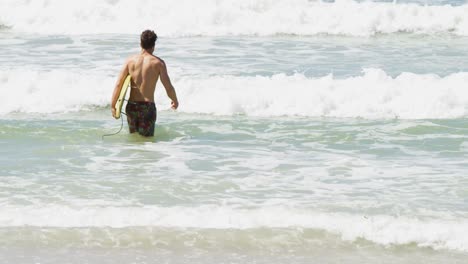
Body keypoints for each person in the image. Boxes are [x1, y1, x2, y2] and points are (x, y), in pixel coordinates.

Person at [111, 29, 179, 137]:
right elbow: (168, 87)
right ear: (153, 45)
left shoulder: (130, 61)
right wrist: (174, 100)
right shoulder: (158, 63)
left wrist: (113, 105)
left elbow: (119, 84)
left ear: (140, 43)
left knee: (134, 139)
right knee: (146, 142)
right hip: (147, 108)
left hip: (131, 107)